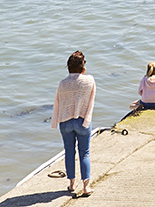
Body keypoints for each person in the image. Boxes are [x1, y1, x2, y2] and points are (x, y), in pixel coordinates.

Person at [52, 50, 95, 198]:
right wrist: (86, 120)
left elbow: (58, 103)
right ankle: (86, 186)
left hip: (65, 121)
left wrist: (55, 121)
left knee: (69, 151)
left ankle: (71, 184)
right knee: (85, 152)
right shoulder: (89, 80)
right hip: (82, 120)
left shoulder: (62, 83)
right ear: (83, 66)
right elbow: (91, 102)